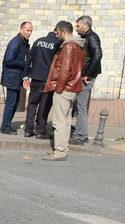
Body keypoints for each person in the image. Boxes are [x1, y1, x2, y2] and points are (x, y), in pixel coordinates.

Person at [42, 21, 86, 161]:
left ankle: (60, 151)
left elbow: (65, 70)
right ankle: (63, 149)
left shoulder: (68, 46)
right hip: (73, 88)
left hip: (65, 88)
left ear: (63, 31)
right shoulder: (78, 45)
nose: (56, 34)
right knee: (66, 120)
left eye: (57, 32)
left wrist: (59, 89)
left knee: (59, 121)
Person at [23, 24, 62, 138]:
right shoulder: (58, 44)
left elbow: (29, 59)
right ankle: (40, 130)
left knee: (32, 104)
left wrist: (26, 75)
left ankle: (28, 130)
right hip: (48, 81)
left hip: (35, 78)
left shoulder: (38, 41)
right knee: (44, 106)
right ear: (58, 32)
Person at [69, 15, 102, 145]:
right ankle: (82, 133)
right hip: (86, 75)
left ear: (86, 25)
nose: (76, 28)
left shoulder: (92, 37)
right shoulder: (87, 37)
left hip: (87, 77)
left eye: (78, 26)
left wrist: (87, 74)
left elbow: (98, 54)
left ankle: (80, 136)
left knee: (81, 107)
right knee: (79, 106)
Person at [0, 21, 33, 135]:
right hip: (12, 77)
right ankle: (5, 127)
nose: (29, 33)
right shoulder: (16, 42)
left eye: (31, 31)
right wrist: (24, 63)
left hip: (17, 77)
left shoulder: (23, 42)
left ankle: (7, 125)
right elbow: (9, 60)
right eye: (27, 30)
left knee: (15, 102)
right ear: (21, 29)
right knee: (11, 103)